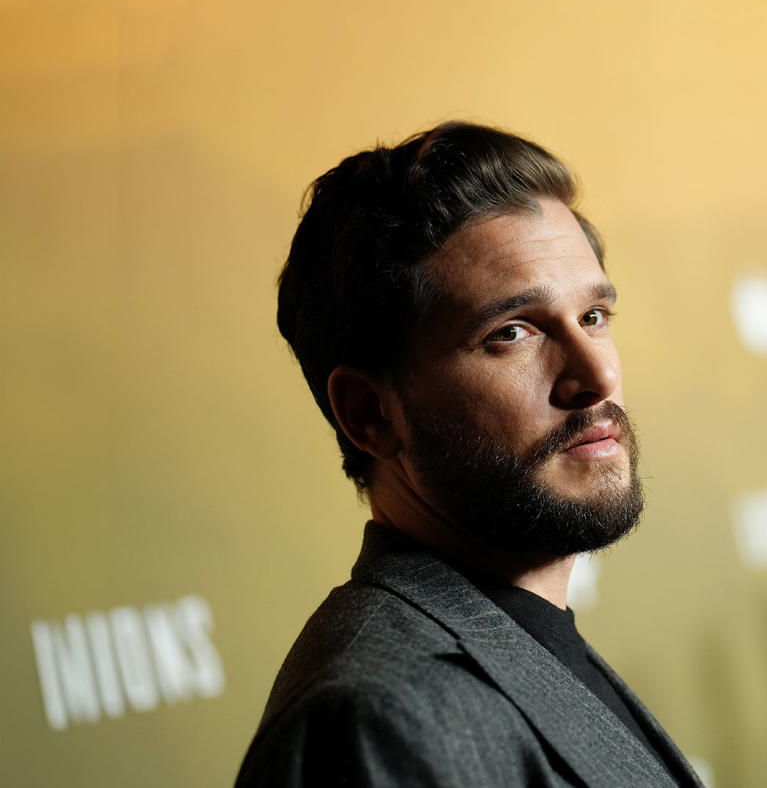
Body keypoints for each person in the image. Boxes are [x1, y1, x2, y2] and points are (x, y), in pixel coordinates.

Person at [236, 122, 701, 787]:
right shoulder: (378, 722)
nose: (595, 377)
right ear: (371, 413)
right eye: (511, 333)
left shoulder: (510, 646)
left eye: (593, 316)